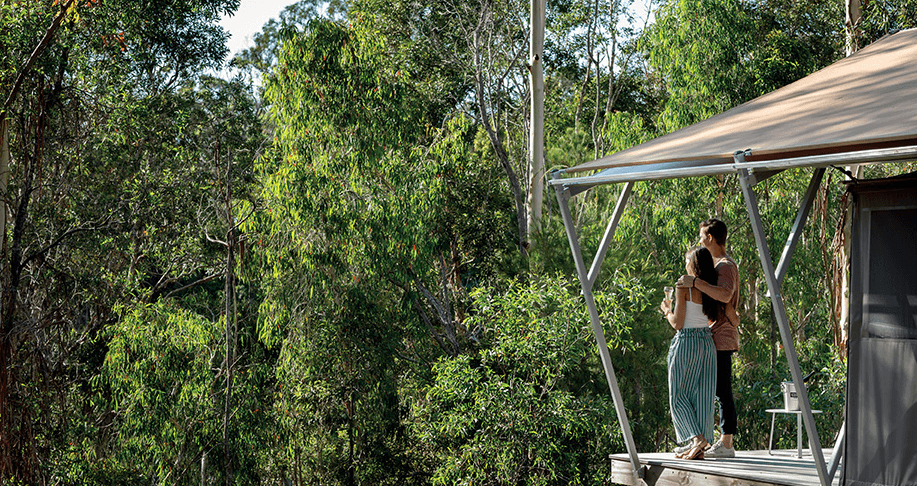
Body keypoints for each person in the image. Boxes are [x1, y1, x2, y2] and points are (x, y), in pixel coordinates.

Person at [677, 218, 740, 458]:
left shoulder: (726, 266)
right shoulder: (715, 266)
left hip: (722, 336)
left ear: (711, 238)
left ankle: (726, 443)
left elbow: (724, 295)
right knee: (706, 389)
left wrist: (695, 282)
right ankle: (699, 440)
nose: (699, 240)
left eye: (702, 236)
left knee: (722, 389)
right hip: (710, 335)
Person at [661, 246, 721, 460]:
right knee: (703, 395)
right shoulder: (711, 287)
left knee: (678, 394)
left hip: (687, 341)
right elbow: (711, 319)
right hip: (707, 342)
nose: (685, 264)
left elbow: (678, 323)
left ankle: (696, 438)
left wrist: (667, 310)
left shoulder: (683, 285)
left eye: (687, 260)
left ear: (694, 265)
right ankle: (700, 445)